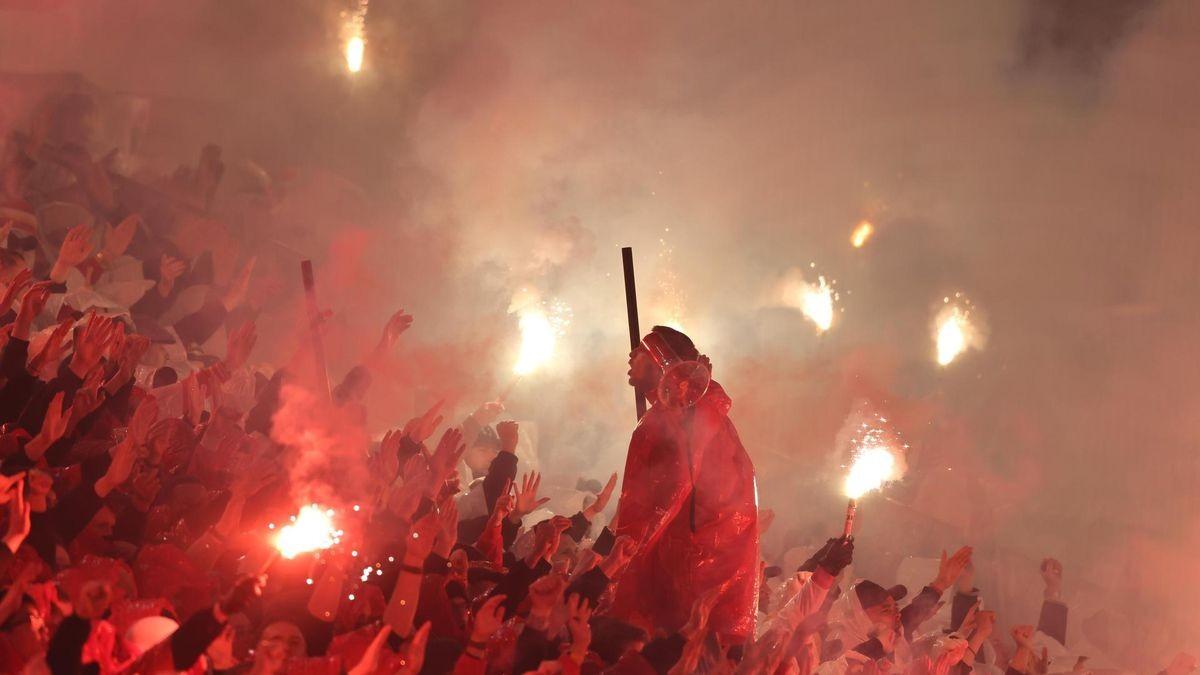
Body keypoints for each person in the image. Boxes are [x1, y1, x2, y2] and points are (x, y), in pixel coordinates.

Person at [611, 325, 761, 645]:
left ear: (658, 361)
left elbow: (667, 495)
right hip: (711, 574)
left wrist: (620, 558)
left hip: (691, 577)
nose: (631, 356)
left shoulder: (675, 421)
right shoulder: (698, 412)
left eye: (639, 350)